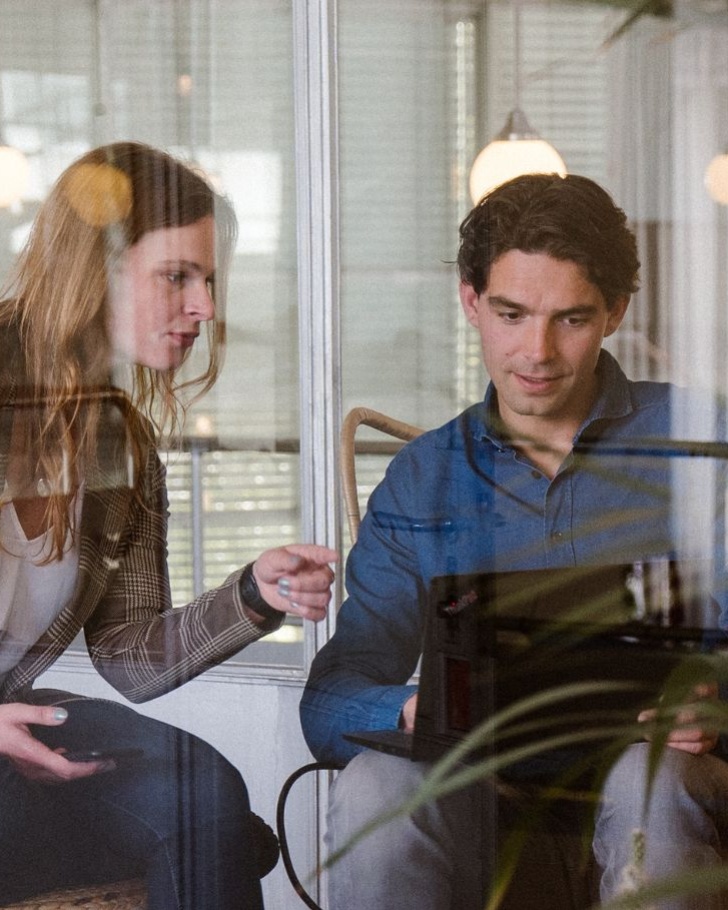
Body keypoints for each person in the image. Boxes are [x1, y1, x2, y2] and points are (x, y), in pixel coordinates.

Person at [300, 173, 728, 910]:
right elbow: (331, 699)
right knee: (377, 781)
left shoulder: (702, 442)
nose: (537, 352)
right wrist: (410, 709)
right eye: (510, 314)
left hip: (667, 776)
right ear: (471, 302)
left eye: (571, 319)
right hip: (484, 791)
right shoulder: (421, 478)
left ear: (616, 311)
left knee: (649, 782)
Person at [0, 141, 337, 909]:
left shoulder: (122, 444)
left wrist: (253, 595)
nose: (207, 309)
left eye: (210, 281)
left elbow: (127, 657)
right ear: (98, 270)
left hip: (20, 722)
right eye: (176, 277)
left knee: (200, 795)